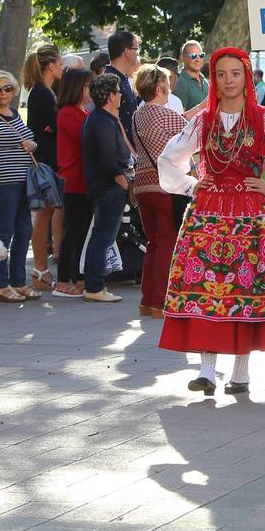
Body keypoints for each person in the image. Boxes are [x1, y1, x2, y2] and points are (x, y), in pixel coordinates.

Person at [0, 69, 41, 302]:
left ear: (14, 90)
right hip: (5, 183)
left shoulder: (13, 113)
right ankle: (0, 284)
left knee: (24, 231)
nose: (3, 93)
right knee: (4, 234)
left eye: (7, 88)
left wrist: (31, 144)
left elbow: (28, 140)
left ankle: (18, 281)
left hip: (23, 181)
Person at [132, 65, 184, 318]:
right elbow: (192, 131)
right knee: (167, 242)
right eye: (166, 81)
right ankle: (161, 300)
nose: (170, 85)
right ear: (159, 86)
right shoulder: (165, 115)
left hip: (142, 184)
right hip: (165, 185)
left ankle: (148, 299)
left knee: (153, 242)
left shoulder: (138, 115)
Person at [79, 74, 133, 304]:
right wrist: (121, 180)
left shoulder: (102, 119)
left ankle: (95, 284)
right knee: (103, 236)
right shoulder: (101, 121)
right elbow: (108, 159)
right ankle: (95, 285)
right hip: (108, 187)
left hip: (107, 186)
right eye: (119, 91)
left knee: (102, 235)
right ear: (111, 96)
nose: (122, 95)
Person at [23, 46, 63, 291]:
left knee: (45, 215)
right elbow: (53, 125)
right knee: (43, 215)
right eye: (59, 63)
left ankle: (41, 268)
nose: (61, 67)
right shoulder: (42, 94)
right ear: (50, 65)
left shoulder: (45, 92)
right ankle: (40, 268)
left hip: (47, 157)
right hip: (45, 160)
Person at [51, 68, 92, 298]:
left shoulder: (84, 113)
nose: (90, 90)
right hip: (74, 179)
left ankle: (77, 276)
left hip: (84, 179)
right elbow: (84, 138)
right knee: (73, 230)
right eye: (86, 86)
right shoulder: (67, 113)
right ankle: (64, 278)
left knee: (82, 230)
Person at [104, 30, 142, 141]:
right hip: (120, 152)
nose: (138, 53)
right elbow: (110, 122)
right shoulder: (109, 80)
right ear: (127, 51)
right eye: (136, 49)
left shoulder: (122, 77)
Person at [173, 40, 210, 111]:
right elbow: (179, 117)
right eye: (193, 56)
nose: (198, 59)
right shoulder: (180, 82)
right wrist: (201, 107)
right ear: (183, 58)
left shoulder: (204, 80)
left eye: (201, 55)